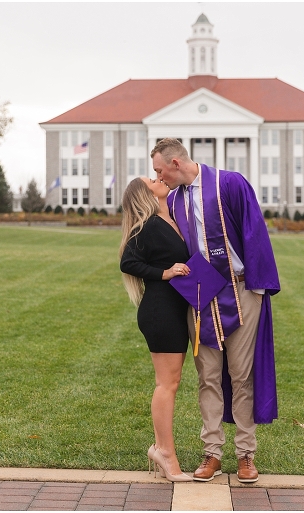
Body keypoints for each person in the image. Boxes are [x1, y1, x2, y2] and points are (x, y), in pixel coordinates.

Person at [151, 138, 280, 484]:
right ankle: (212, 453)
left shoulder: (229, 183)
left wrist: (257, 286)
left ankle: (246, 454)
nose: (159, 179)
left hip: (241, 289)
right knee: (208, 376)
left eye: (161, 171)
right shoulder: (174, 200)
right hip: (202, 295)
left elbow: (254, 230)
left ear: (176, 163)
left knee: (241, 375)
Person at [119, 176, 194, 482]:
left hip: (177, 309)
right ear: (144, 194)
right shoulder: (148, 224)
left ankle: (162, 450)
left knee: (172, 382)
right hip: (161, 311)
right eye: (151, 179)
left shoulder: (173, 217)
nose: (158, 178)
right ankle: (164, 452)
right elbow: (128, 262)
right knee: (167, 384)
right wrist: (164, 273)